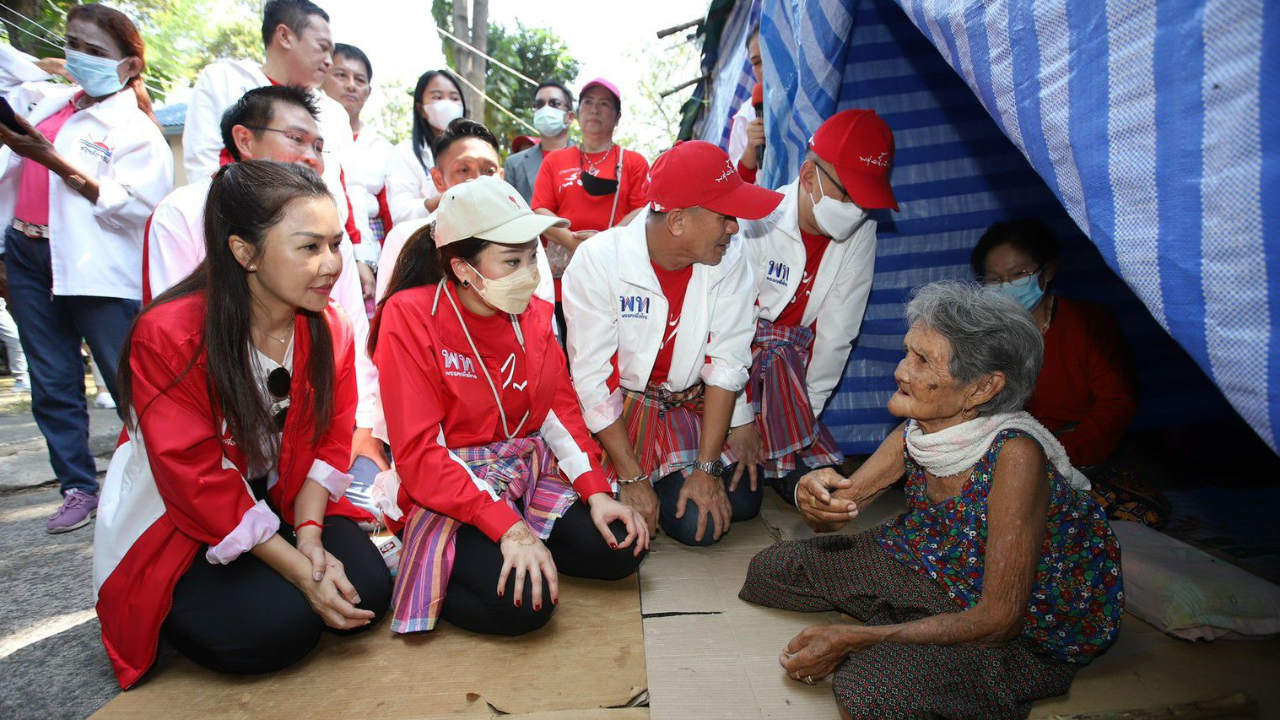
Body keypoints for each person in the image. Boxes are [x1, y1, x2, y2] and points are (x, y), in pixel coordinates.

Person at [739, 281, 1122, 720]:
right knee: (769, 571)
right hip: (933, 566)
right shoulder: (920, 431)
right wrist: (816, 497)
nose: (902, 370)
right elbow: (836, 516)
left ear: (982, 388)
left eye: (923, 361)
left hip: (1019, 628)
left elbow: (1000, 618)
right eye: (907, 352)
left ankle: (915, 632)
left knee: (871, 689)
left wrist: (860, 638)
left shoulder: (1016, 455)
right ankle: (919, 624)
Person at [93, 161, 392, 690]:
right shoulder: (168, 336)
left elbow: (330, 438)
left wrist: (311, 537)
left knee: (367, 591)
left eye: (335, 244)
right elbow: (194, 480)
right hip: (179, 514)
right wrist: (302, 572)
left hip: (280, 495)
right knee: (277, 630)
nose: (331, 265)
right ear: (244, 252)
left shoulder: (330, 328)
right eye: (309, 247)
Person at [370, 176, 647, 635]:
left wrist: (597, 493)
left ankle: (511, 553)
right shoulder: (409, 314)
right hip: (447, 486)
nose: (532, 274)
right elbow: (421, 453)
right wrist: (509, 529)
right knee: (526, 609)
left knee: (621, 548)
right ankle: (420, 559)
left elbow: (558, 411)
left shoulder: (534, 315)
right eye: (512, 260)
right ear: (462, 268)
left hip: (522, 469)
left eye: (533, 256)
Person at [147, 85, 384, 518]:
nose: (311, 155)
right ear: (244, 139)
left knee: (367, 562)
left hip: (300, 456)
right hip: (212, 462)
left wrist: (363, 429)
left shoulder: (329, 309)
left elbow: (351, 330)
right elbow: (182, 347)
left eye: (318, 145)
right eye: (296, 139)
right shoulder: (182, 214)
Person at [0, 5, 173, 533]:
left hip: (95, 269)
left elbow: (140, 206)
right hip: (28, 256)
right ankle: (78, 486)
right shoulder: (46, 99)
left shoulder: (137, 130)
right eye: (73, 44)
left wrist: (54, 161)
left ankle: (163, 481)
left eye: (95, 51)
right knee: (52, 381)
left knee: (129, 382)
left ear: (128, 67)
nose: (80, 56)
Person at [562, 141, 783, 547]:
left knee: (740, 502)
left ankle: (672, 478)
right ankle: (637, 481)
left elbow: (727, 363)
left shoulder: (730, 259)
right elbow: (594, 383)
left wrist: (706, 468)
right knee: (643, 530)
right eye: (725, 216)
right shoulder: (598, 261)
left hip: (684, 404)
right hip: (619, 416)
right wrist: (631, 477)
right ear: (678, 221)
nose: (734, 228)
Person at [736, 109, 897, 503]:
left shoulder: (862, 231)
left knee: (819, 486)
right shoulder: (757, 220)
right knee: (740, 499)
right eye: (849, 194)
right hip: (732, 379)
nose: (858, 210)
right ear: (809, 177)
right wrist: (739, 420)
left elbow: (837, 335)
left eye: (867, 200)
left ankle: (791, 474)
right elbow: (726, 334)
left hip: (792, 384)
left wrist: (800, 419)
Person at [182, 0, 376, 296]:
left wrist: (358, 252)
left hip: (324, 247)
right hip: (246, 243)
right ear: (285, 36)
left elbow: (346, 187)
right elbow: (205, 168)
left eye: (317, 145)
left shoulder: (333, 113)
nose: (329, 59)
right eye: (322, 47)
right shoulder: (224, 80)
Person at [972, 219, 1138, 468]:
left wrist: (1059, 455)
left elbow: (1117, 402)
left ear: (1047, 271)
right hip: (1002, 457)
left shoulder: (1088, 323)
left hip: (1078, 454)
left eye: (1018, 274)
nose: (1006, 286)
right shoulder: (977, 335)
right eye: (995, 279)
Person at [375, 118, 553, 306]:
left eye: (488, 170)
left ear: (501, 177)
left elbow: (542, 309)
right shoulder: (404, 237)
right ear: (438, 179)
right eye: (463, 170)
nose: (477, 180)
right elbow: (389, 312)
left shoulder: (524, 233)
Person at [532, 78, 650, 303]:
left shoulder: (634, 163)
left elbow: (643, 210)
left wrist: (603, 242)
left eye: (604, 104)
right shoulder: (555, 160)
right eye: (588, 102)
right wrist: (571, 240)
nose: (595, 109)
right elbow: (540, 210)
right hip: (562, 280)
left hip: (616, 275)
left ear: (617, 117)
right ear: (576, 114)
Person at [323, 43, 395, 253]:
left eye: (359, 80)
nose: (351, 85)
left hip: (374, 245)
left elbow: (388, 210)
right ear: (323, 76)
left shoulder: (382, 148)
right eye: (341, 75)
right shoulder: (307, 133)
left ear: (368, 91)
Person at [385, 69, 466, 224]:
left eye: (454, 98)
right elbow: (401, 212)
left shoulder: (474, 149)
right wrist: (445, 200)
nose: (447, 103)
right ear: (421, 109)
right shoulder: (406, 153)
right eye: (437, 97)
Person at [504, 80, 575, 203]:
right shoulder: (514, 164)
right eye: (539, 104)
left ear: (570, 117)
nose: (546, 109)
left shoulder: (587, 160)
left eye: (554, 103)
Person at [726, 21, 764, 181]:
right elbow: (738, 184)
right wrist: (750, 148)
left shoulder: (805, 98)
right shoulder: (744, 116)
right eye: (756, 63)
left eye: (768, 58)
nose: (762, 69)